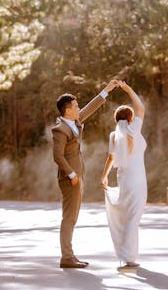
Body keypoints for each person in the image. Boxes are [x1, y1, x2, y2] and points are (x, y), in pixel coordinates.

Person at [52, 79, 120, 269]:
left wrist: (107, 89)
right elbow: (57, 156)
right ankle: (67, 257)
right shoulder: (60, 129)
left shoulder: (74, 121)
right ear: (67, 110)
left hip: (78, 175)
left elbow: (91, 107)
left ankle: (69, 255)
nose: (78, 108)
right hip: (69, 178)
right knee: (69, 217)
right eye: (75, 106)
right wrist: (72, 174)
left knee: (72, 217)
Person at [100, 81, 147, 270]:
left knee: (129, 216)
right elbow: (141, 108)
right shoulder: (134, 129)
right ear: (130, 118)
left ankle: (127, 254)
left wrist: (104, 177)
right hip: (137, 179)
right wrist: (128, 89)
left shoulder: (113, 135)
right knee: (134, 216)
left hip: (123, 178)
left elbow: (110, 158)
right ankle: (129, 256)